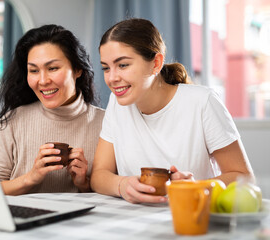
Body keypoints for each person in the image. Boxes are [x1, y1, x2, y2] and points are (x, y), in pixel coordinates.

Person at [90, 18, 254, 204]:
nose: (111, 78)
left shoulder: (202, 102)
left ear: (156, 63)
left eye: (123, 65)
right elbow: (99, 175)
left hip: (191, 218)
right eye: (106, 68)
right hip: (134, 223)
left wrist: (195, 187)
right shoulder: (116, 104)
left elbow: (244, 178)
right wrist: (122, 184)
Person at [0, 24, 104, 195]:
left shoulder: (106, 123)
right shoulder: (13, 120)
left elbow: (114, 190)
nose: (42, 81)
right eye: (34, 70)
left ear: (78, 69)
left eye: (52, 68)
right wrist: (31, 178)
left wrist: (84, 184)